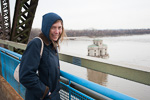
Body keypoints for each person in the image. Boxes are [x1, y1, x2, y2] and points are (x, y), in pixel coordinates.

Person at [19, 12, 66, 100]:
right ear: (46, 28)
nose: (57, 31)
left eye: (59, 28)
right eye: (53, 27)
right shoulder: (36, 44)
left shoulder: (52, 46)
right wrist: (45, 92)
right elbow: (25, 75)